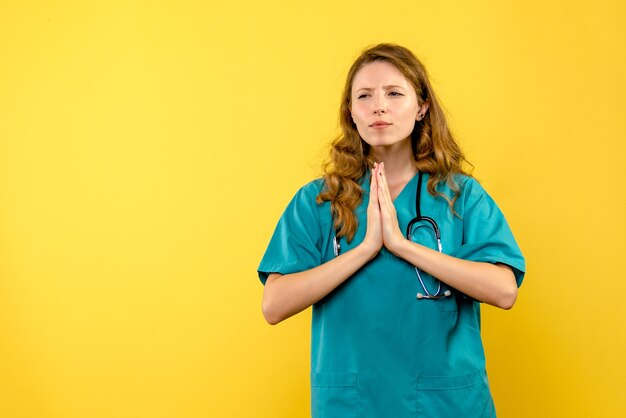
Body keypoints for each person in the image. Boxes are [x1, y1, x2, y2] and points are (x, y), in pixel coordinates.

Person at [257, 43, 525, 418]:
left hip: (444, 404)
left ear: (421, 107)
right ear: (351, 113)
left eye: (394, 93)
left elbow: (503, 289)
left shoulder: (460, 196)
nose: (378, 106)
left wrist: (402, 245)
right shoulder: (319, 200)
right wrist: (365, 249)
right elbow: (274, 304)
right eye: (364, 96)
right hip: (353, 405)